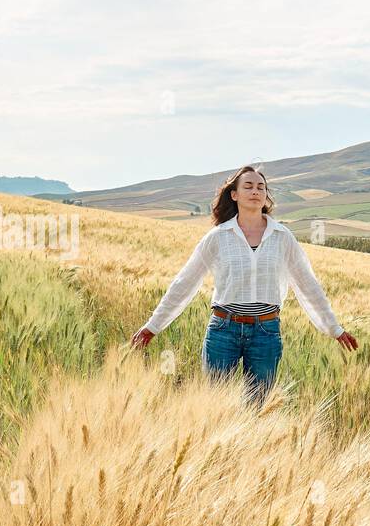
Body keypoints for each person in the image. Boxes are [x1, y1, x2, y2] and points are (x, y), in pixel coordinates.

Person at [130, 164, 357, 401]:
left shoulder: (282, 237)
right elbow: (185, 282)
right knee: (216, 405)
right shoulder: (218, 237)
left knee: (257, 407)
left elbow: (308, 284)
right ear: (234, 195)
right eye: (248, 186)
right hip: (222, 330)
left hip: (266, 332)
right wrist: (153, 326)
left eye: (261, 187)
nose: (255, 191)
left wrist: (333, 328)